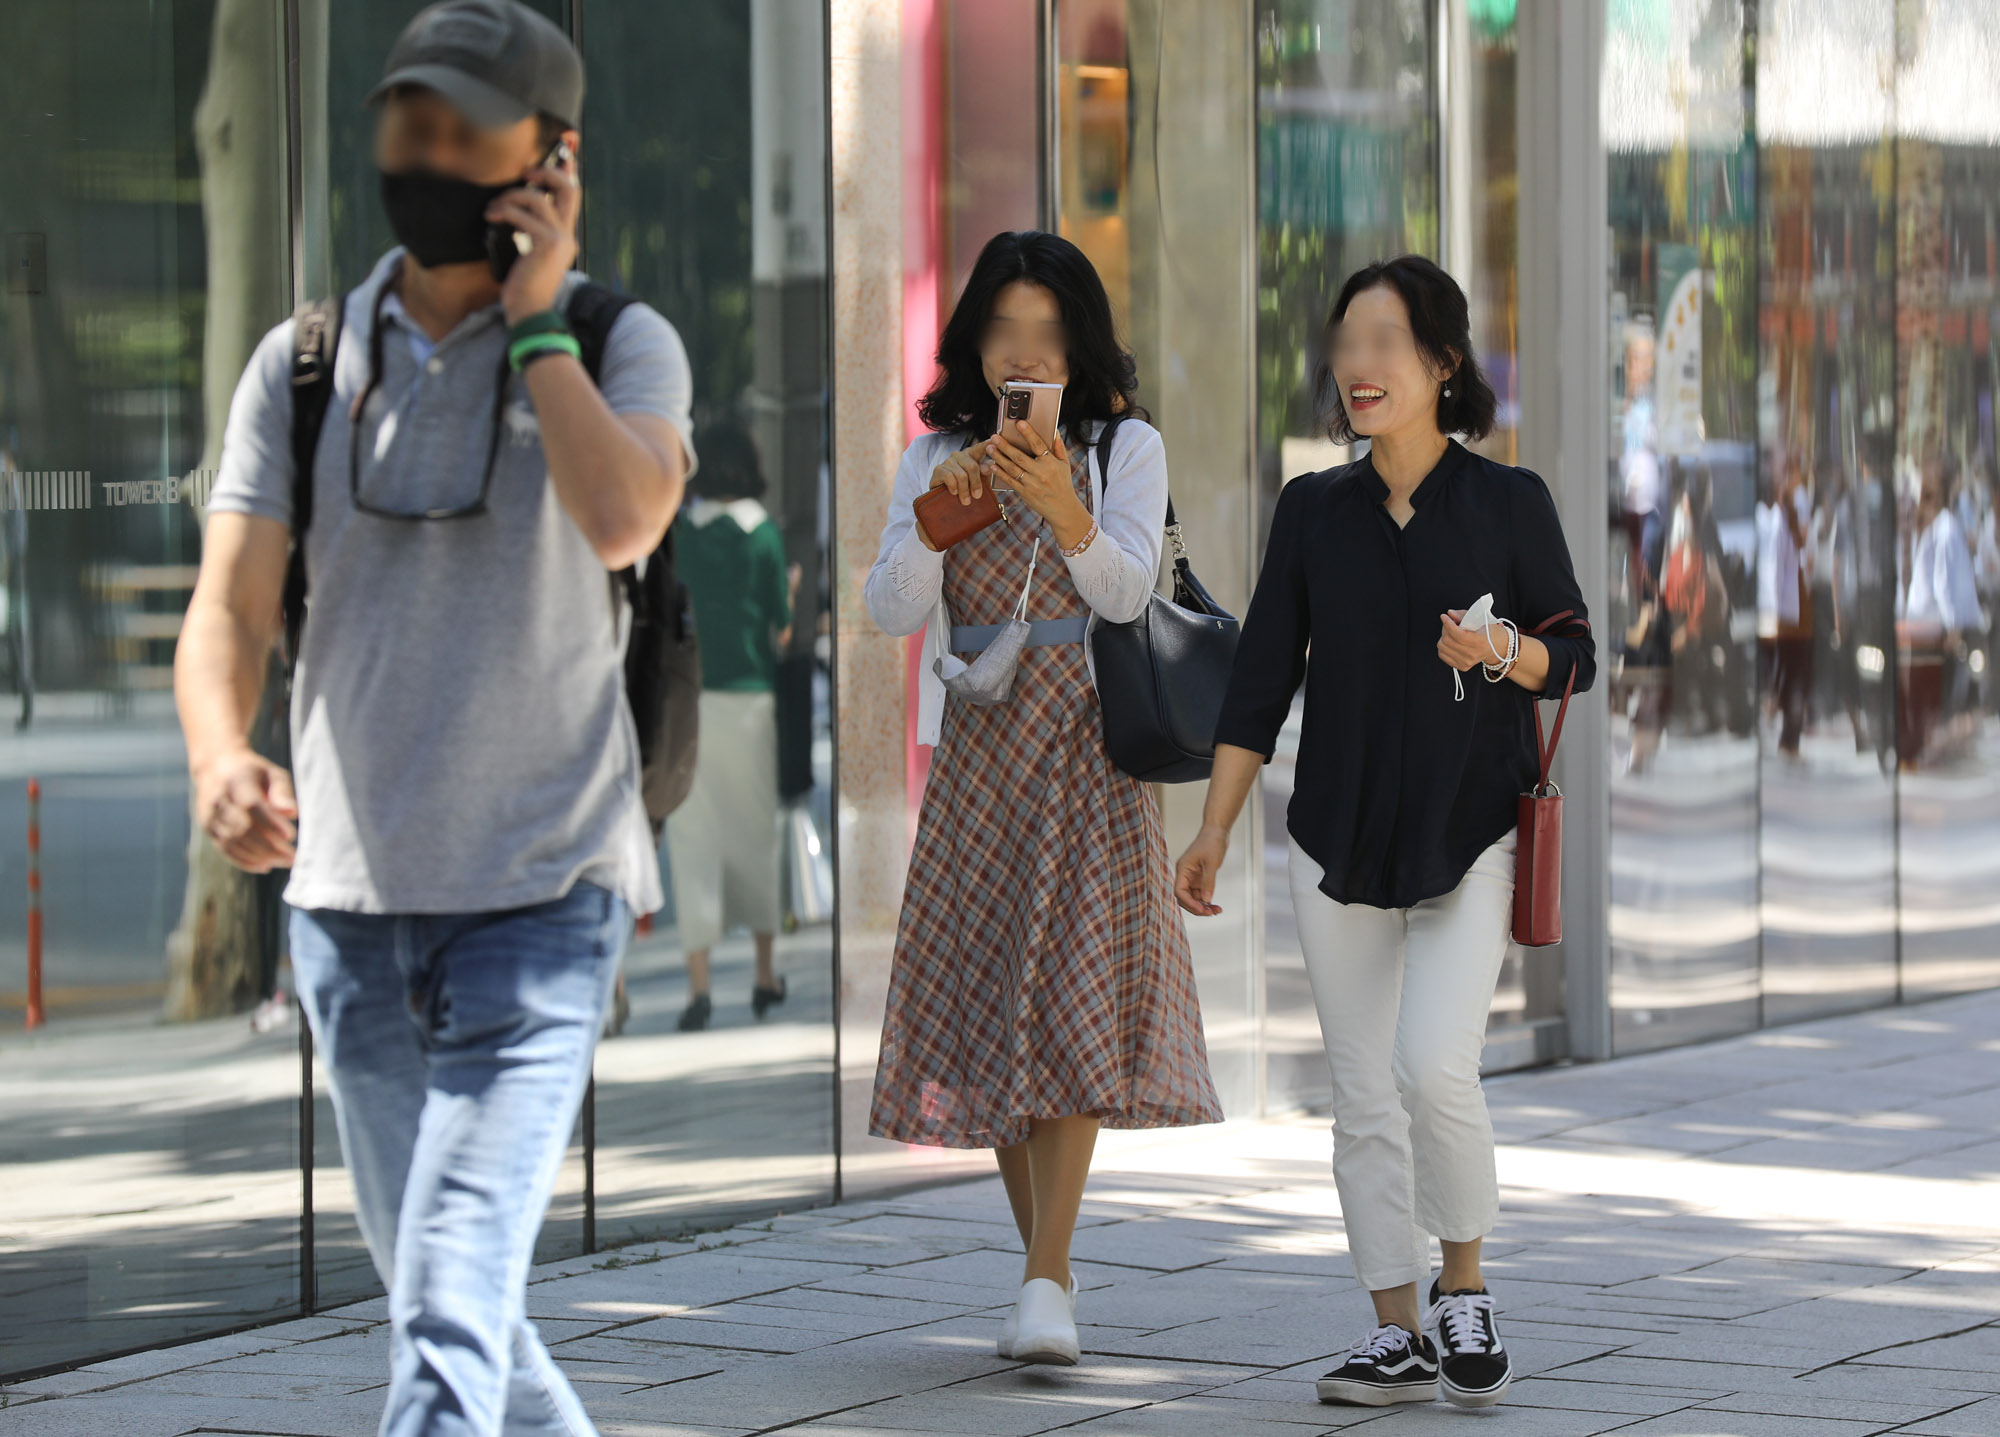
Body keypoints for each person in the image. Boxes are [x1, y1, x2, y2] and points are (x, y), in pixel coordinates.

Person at [174, 3, 692, 1432]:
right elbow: (226, 607)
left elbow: (619, 517)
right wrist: (221, 754)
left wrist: (536, 325)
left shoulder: (617, 341)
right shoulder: (303, 364)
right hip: (347, 905)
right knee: (443, 1299)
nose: (428, 148)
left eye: (467, 126)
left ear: (550, 161)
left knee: (453, 1293)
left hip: (542, 898)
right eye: (411, 117)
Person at [1175, 256, 1593, 1411]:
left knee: (1429, 1068)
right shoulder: (1312, 509)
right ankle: (1393, 1328)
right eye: (1344, 345)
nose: (1355, 368)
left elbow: (1577, 655)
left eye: (1382, 344)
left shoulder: (1508, 503)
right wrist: (1212, 828)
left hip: (1468, 832)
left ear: (1440, 363)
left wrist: (1501, 652)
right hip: (1335, 838)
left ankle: (1463, 1285)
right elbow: (1258, 683)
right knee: (1361, 1091)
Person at [864, 229, 1221, 1368]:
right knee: (996, 1009)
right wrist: (941, 519)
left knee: (1063, 990)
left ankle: (1044, 1277)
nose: (1022, 355)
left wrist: (1062, 503)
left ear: (1079, 347)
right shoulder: (932, 457)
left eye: (1046, 335)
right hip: (979, 761)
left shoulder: (1125, 446)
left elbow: (1124, 595)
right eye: (1002, 332)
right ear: (972, 343)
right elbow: (886, 610)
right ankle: (1043, 1276)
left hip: (1086, 748)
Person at [663, 418, 800, 1032]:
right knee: (753, 835)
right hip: (749, 700)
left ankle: (698, 986)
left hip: (689, 701)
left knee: (693, 838)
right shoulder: (763, 536)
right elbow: (781, 626)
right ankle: (764, 975)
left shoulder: (678, 537)